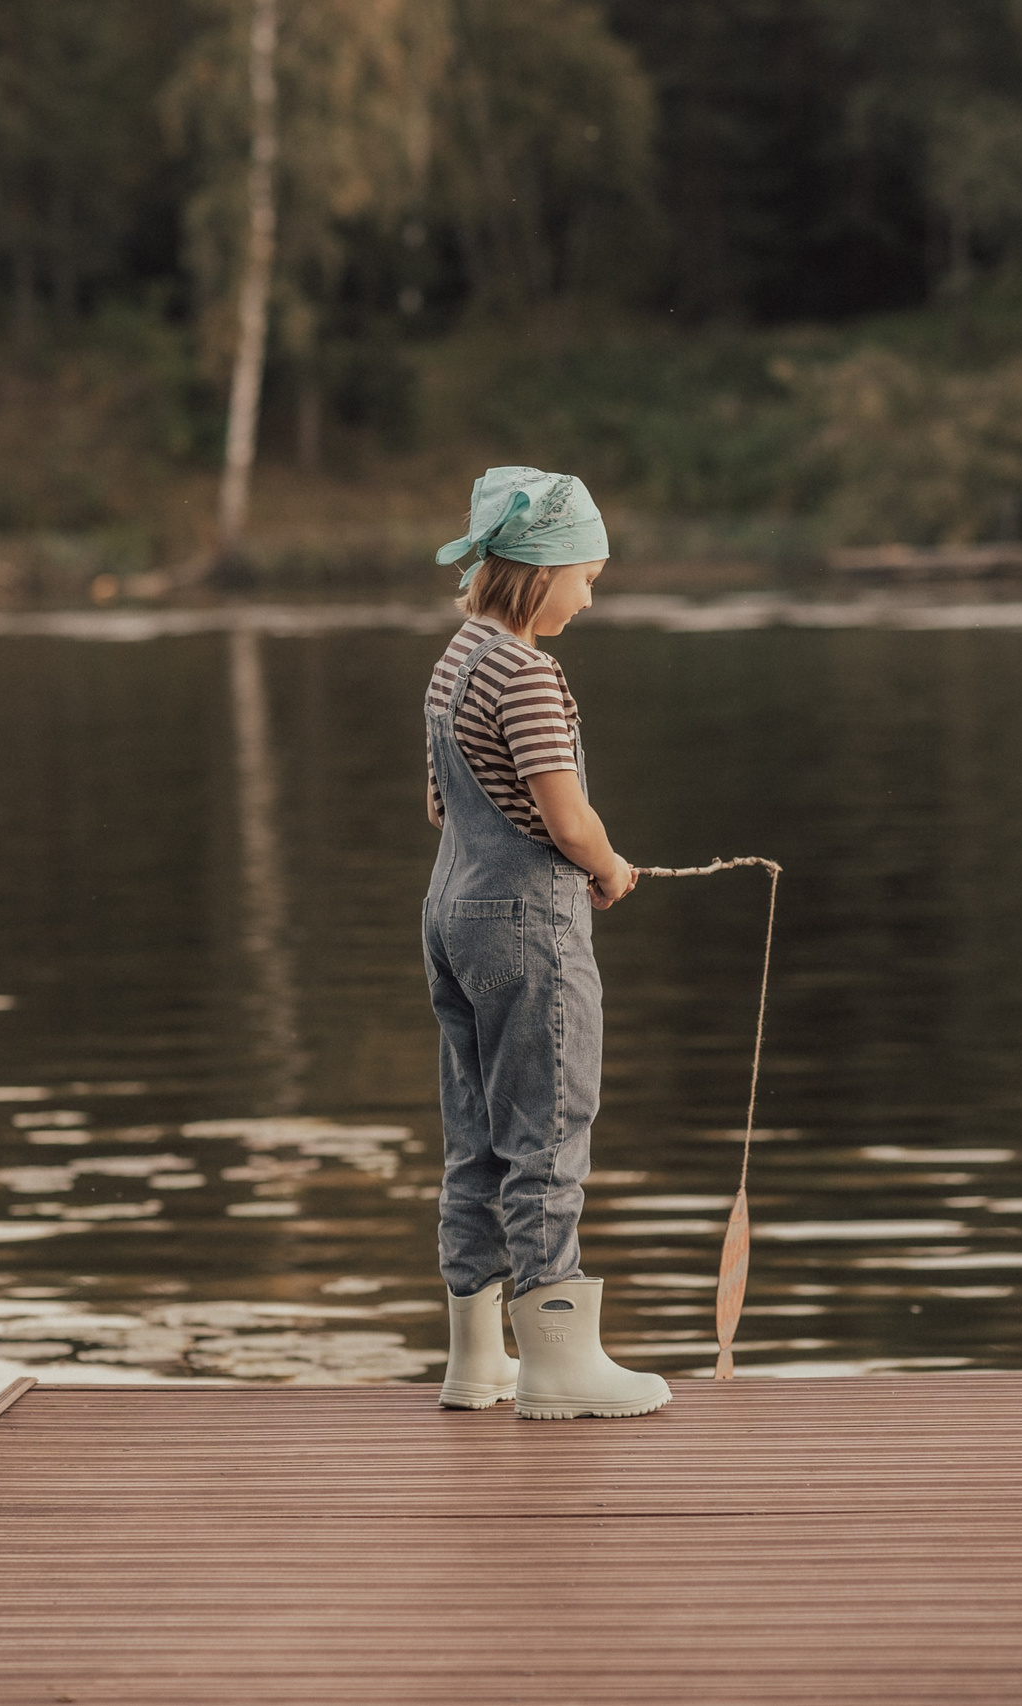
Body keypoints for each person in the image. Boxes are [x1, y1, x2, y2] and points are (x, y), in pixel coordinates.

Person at [422, 467, 671, 1421]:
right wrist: (608, 867)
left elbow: (439, 807)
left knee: (475, 1135)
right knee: (550, 1131)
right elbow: (566, 820)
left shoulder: (457, 658)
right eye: (586, 578)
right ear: (539, 572)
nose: (590, 598)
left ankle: (476, 1359)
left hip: (451, 912)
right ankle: (560, 1364)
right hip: (528, 924)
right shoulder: (527, 672)